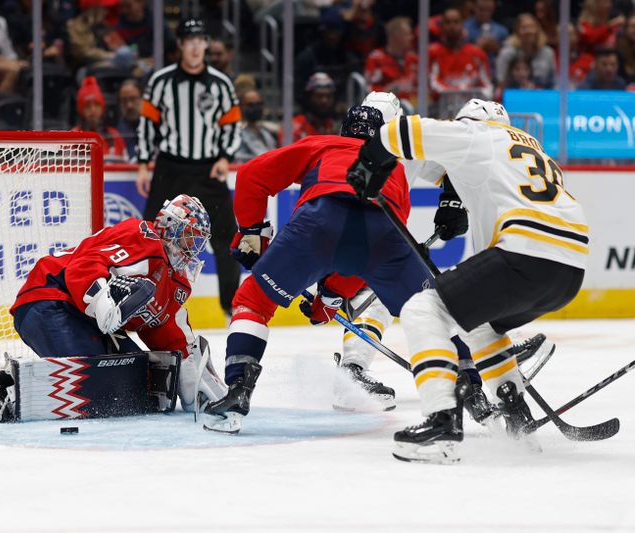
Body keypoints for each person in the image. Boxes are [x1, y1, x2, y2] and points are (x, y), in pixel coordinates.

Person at [347, 99, 587, 464]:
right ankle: (515, 413)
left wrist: (369, 162)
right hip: (569, 268)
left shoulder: (476, 135)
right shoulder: (530, 148)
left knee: (422, 309)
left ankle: (441, 420)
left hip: (525, 251)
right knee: (481, 325)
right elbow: (452, 175)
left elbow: (401, 131)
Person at [201, 102, 434, 434]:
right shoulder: (394, 168)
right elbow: (370, 247)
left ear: (343, 130)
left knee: (253, 300)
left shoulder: (322, 144)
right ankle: (476, 385)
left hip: (318, 223)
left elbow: (253, 174)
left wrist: (252, 230)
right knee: (429, 310)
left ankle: (238, 391)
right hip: (383, 235)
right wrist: (332, 296)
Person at [0, 194, 226, 420]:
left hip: (85, 319)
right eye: (189, 237)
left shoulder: (174, 280)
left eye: (197, 242)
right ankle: (8, 390)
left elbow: (164, 328)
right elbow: (83, 266)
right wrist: (102, 304)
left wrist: (193, 376)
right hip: (50, 297)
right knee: (97, 382)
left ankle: (39, 373)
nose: (192, 249)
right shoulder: (143, 238)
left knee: (136, 382)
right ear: (170, 226)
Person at [136, 18, 242, 316]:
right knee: (151, 237)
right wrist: (144, 163)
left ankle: (230, 307)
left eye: (200, 41)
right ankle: (144, 300)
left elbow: (232, 126)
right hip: (170, 168)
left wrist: (224, 157)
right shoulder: (161, 81)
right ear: (180, 45)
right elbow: (148, 124)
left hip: (209, 170)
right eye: (189, 41)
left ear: (207, 44)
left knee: (227, 238)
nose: (195, 47)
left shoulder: (221, 84)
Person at [429, 6, 493, 101]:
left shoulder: (477, 54)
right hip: (441, 108)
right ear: (442, 25)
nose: (452, 26)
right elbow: (432, 84)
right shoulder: (433, 52)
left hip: (471, 108)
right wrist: (456, 96)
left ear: (462, 24)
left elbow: (487, 87)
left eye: (456, 22)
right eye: (448, 22)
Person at [364, 17, 418, 109]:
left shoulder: (414, 59)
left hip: (414, 110)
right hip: (387, 111)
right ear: (396, 36)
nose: (411, 38)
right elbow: (370, 91)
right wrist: (390, 90)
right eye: (408, 34)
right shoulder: (376, 58)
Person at [73, 75, 127, 160]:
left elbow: (125, 163)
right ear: (81, 110)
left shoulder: (114, 135)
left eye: (96, 105)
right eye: (87, 106)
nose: (93, 110)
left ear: (102, 108)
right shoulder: (72, 136)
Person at [496, 13, 555, 89]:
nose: (528, 31)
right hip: (513, 95)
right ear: (517, 31)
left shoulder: (548, 53)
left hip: (542, 96)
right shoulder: (507, 53)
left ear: (537, 29)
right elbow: (500, 81)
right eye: (524, 27)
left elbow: (554, 82)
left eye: (531, 27)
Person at [283, 72, 339, 143]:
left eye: (328, 96)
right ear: (309, 97)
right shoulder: (294, 126)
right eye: (319, 96)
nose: (324, 100)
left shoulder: (337, 127)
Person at [464, 0, 508, 78]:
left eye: (488, 10)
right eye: (481, 9)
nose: (484, 13)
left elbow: (508, 58)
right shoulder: (464, 29)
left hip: (495, 73)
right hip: (470, 73)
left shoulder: (501, 31)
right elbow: (458, 54)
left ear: (493, 9)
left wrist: (497, 49)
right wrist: (476, 48)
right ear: (474, 7)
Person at [234, 89, 276, 163]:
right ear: (241, 107)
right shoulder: (236, 135)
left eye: (258, 104)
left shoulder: (266, 133)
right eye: (250, 105)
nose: (255, 108)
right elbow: (237, 159)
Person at [115, 79, 142, 160]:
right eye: (124, 100)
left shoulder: (156, 126)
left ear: (142, 98)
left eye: (133, 99)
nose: (129, 105)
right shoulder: (116, 132)